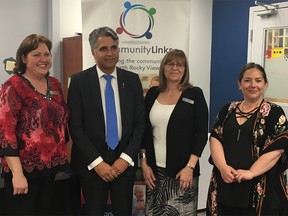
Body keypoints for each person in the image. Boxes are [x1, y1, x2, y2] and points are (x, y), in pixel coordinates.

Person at [67, 26, 145, 216]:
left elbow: (139, 123)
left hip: (123, 163)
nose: (110, 53)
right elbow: (75, 127)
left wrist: (125, 159)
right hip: (92, 165)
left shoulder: (132, 80)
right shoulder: (78, 82)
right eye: (103, 49)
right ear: (93, 52)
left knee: (123, 212)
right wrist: (98, 163)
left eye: (114, 47)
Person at [0, 34, 70, 215]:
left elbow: (62, 121)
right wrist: (17, 174)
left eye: (47, 54)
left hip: (54, 170)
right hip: (24, 173)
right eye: (36, 54)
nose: (43, 59)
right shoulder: (12, 86)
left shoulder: (54, 83)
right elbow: (5, 134)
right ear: (23, 58)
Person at [206, 62, 288, 216]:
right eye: (247, 80)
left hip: (262, 188)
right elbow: (215, 138)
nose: (253, 85)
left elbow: (277, 149)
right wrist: (223, 168)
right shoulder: (227, 110)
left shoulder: (274, 112)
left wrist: (250, 172)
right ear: (239, 84)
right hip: (226, 184)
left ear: (265, 85)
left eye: (258, 80)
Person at [140, 49, 208, 215]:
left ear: (185, 69)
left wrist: (190, 167)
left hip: (182, 173)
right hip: (154, 172)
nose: (175, 68)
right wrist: (143, 162)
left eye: (180, 64)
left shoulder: (195, 94)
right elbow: (145, 131)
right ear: (164, 67)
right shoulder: (152, 94)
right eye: (170, 64)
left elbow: (201, 134)